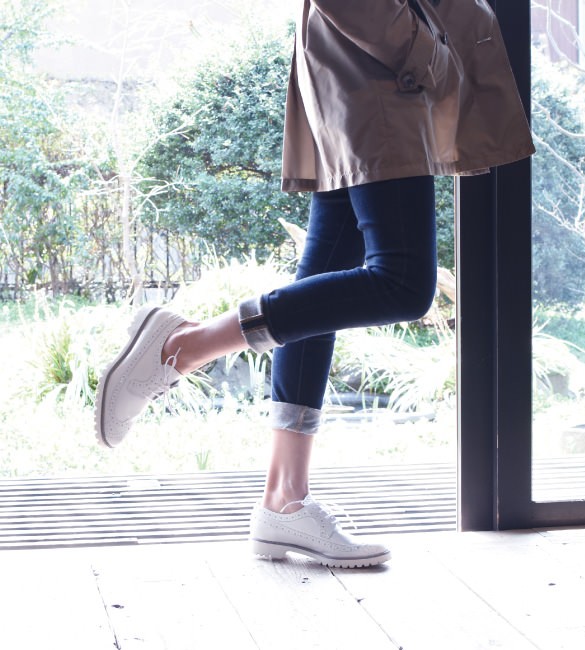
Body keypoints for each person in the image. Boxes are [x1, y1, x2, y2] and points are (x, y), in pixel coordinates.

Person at [95, 0, 534, 568]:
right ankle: (183, 347)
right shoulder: (398, 63)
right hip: (380, 81)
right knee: (403, 283)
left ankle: (284, 501)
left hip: (371, 79)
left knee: (324, 282)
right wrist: (425, 55)